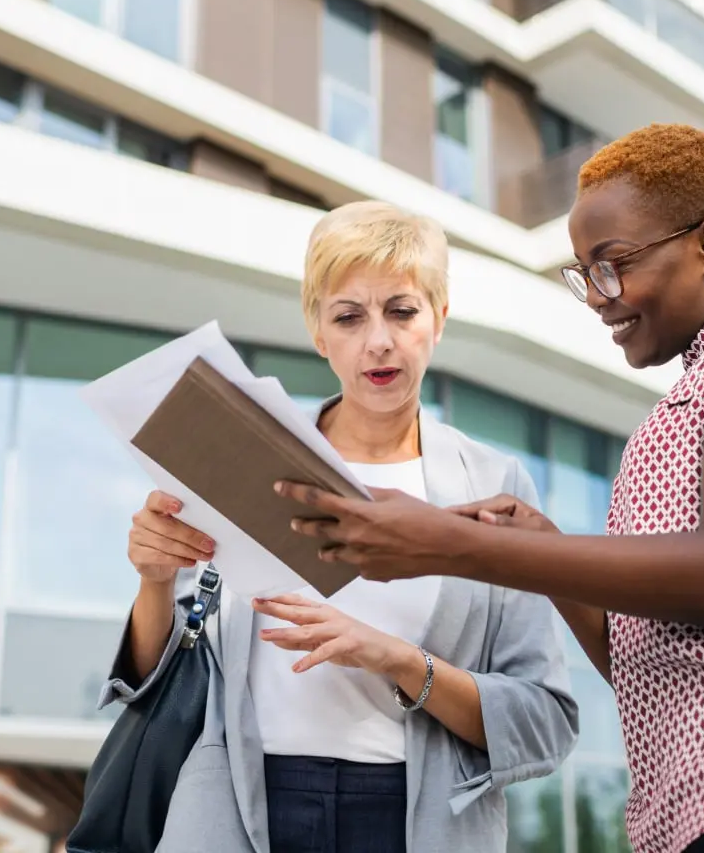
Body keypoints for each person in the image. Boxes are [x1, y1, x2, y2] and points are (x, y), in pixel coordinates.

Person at [276, 125, 704, 853]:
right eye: (584, 275)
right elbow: (649, 660)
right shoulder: (673, 415)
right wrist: (542, 551)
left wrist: (451, 544)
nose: (599, 299)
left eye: (613, 265)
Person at [101, 201, 578, 853]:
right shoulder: (246, 454)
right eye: (349, 317)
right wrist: (155, 582)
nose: (378, 340)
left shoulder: (493, 488)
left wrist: (400, 660)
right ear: (319, 334)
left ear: (439, 319)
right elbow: (164, 674)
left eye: (402, 311)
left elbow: (544, 721)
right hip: (238, 809)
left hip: (416, 822)